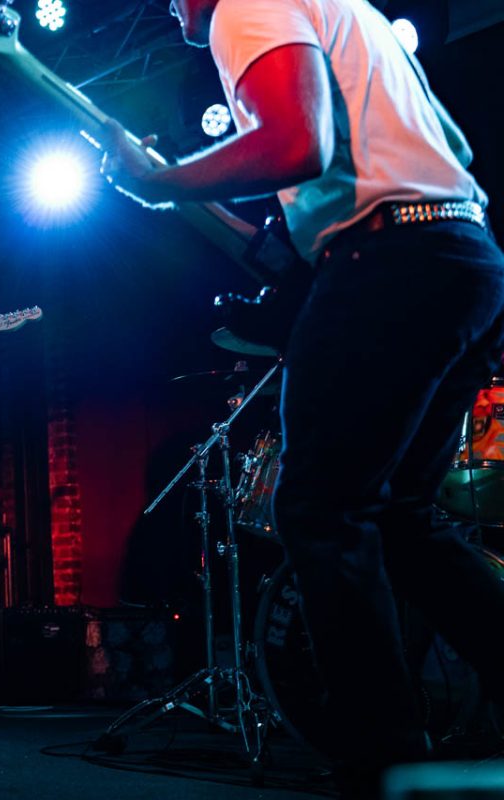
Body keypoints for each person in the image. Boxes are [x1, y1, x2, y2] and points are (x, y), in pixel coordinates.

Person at [100, 0, 504, 794]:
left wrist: (162, 181)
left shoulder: (244, 5)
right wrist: (178, 190)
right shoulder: (348, 16)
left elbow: (293, 142)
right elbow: (302, 217)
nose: (169, 5)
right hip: (461, 254)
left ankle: (381, 754)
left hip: (388, 260)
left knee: (321, 512)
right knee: (402, 518)